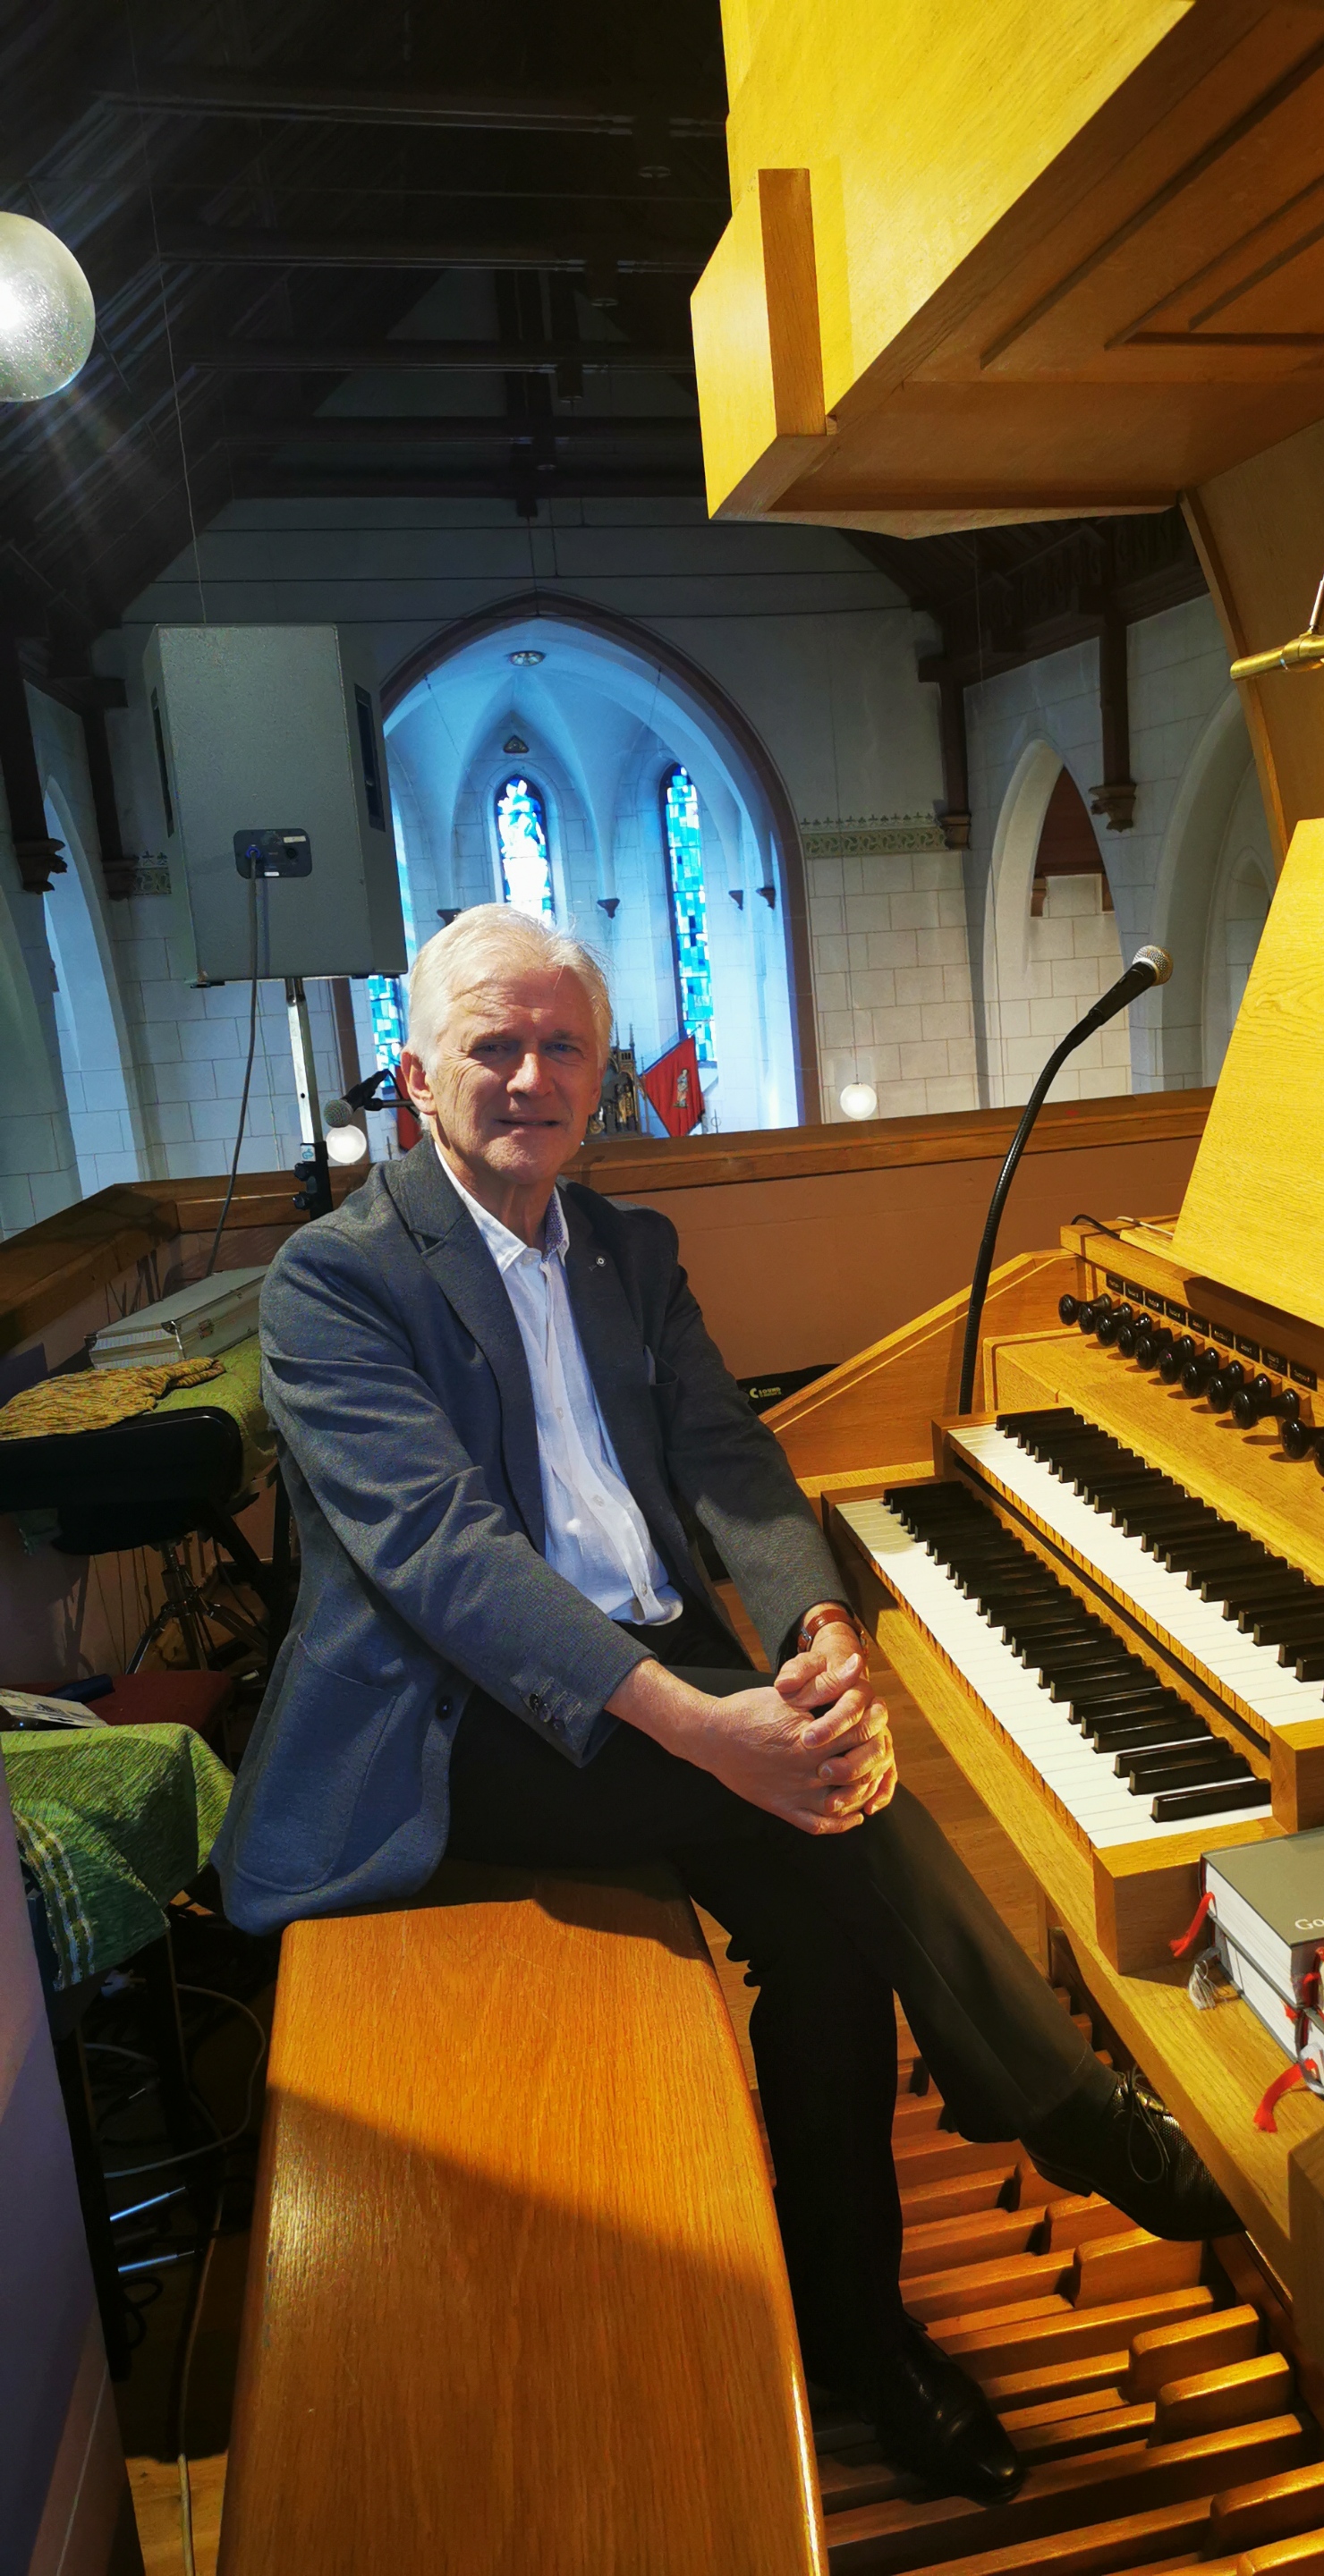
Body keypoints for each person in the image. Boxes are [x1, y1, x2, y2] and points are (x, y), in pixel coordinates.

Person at [213, 906, 1237, 2504]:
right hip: (459, 1735)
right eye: (495, 1044)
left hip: (653, 1698)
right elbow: (445, 1558)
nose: (532, 1076)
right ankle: (1061, 2105)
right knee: (833, 1804)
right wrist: (713, 1729)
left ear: (600, 1074)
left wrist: (818, 1625)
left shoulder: (630, 1252)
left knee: (830, 1944)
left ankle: (853, 2332)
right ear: (418, 1077)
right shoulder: (332, 1282)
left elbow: (730, 1461)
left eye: (564, 1047)